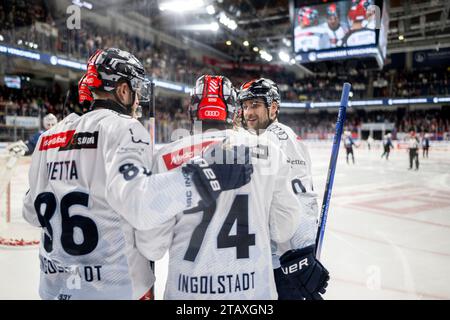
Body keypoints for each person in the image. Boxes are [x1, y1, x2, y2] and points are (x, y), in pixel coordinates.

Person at [22, 49, 252, 300]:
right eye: (136, 89)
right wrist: (204, 178)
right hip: (116, 288)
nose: (138, 98)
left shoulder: (48, 139)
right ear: (122, 90)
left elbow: (31, 213)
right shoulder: (125, 129)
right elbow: (140, 205)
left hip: (53, 287)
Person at [136, 75, 303, 299]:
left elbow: (152, 246)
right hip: (253, 295)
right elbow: (284, 228)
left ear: (192, 110)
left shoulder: (166, 157)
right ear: (234, 110)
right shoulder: (269, 150)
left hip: (188, 296)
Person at [238, 78, 329, 300]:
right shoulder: (256, 138)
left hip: (282, 265)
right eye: (245, 106)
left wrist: (302, 255)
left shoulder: (280, 138)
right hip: (264, 260)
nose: (248, 112)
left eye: (256, 105)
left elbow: (301, 196)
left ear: (274, 107)